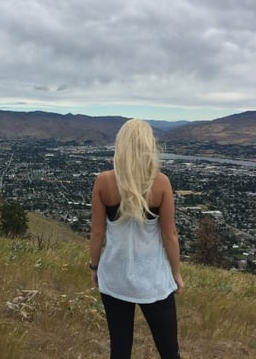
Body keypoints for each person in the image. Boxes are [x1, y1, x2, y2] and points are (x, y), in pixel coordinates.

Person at [89, 118, 184, 359]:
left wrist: (94, 267)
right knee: (169, 350)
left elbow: (97, 232)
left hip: (115, 277)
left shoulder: (104, 181)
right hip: (153, 280)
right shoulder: (161, 183)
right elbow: (169, 235)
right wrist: (176, 273)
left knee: (120, 348)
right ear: (148, 146)